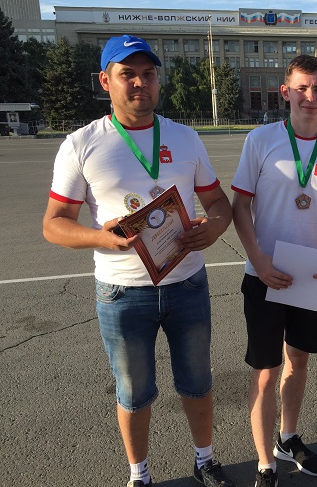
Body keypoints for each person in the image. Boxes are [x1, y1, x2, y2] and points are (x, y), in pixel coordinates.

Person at [42, 35, 235, 487]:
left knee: (198, 382)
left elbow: (219, 204)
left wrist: (214, 228)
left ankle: (205, 460)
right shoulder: (81, 144)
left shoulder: (185, 138)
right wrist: (100, 238)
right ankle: (139, 474)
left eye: (148, 74)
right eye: (127, 74)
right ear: (104, 81)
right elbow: (53, 224)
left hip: (187, 283)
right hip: (122, 292)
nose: (139, 83)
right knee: (133, 392)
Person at [231, 54, 317, 487]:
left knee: (298, 360)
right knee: (266, 371)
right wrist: (259, 261)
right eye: (301, 88)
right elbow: (240, 206)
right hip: (264, 273)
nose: (310, 96)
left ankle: (288, 437)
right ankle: (265, 463)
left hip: (311, 274)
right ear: (286, 92)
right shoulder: (260, 140)